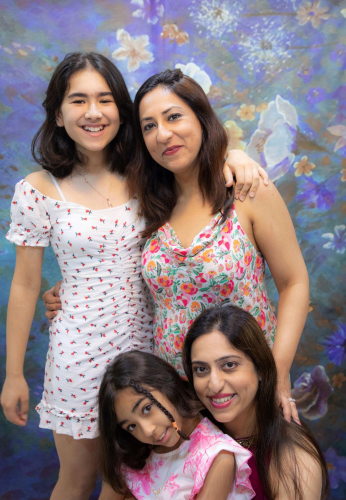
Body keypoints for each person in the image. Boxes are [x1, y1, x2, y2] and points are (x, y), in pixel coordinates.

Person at [0, 52, 266, 500]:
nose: (93, 112)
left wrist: (235, 155)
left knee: (136, 482)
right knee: (80, 477)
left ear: (121, 111)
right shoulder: (38, 190)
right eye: (78, 100)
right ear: (58, 114)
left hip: (151, 348)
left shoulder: (149, 173)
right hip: (79, 354)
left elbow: (200, 154)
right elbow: (25, 284)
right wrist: (13, 374)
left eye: (105, 99)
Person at [126, 69, 309, 423]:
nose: (163, 134)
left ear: (202, 117)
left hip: (247, 390)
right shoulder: (148, 207)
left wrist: (279, 374)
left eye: (174, 116)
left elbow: (294, 283)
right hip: (177, 401)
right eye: (148, 126)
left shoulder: (247, 190)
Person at [182, 305, 330, 500]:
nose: (214, 385)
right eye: (201, 369)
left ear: (260, 368)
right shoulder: (186, 438)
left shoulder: (293, 457)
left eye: (229, 365)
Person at [98, 350, 255, 500]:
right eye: (131, 426)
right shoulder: (135, 451)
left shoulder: (216, 456)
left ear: (166, 384)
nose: (147, 430)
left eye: (146, 408)